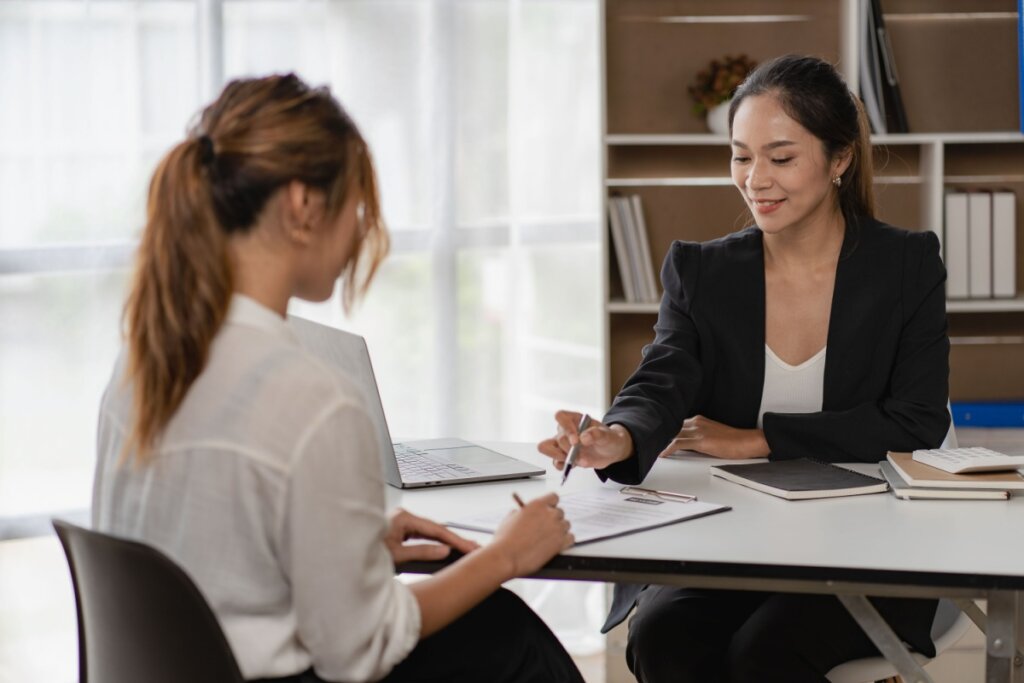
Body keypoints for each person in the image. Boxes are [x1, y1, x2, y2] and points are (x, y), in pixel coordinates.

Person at [91, 73, 584, 683]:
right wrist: (509, 553)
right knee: (507, 632)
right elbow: (362, 649)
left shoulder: (141, 365)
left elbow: (203, 561)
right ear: (302, 207)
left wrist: (349, 549)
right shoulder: (311, 401)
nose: (360, 231)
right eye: (357, 206)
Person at [539, 55, 950, 682]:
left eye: (780, 158)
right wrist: (618, 436)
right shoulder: (703, 272)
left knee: (764, 655)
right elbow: (663, 375)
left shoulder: (906, 267)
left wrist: (760, 440)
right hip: (731, 545)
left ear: (840, 160)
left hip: (866, 548)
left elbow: (915, 420)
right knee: (662, 637)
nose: (756, 179)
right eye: (741, 156)